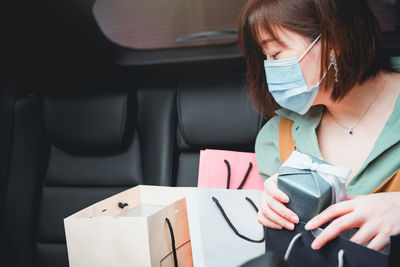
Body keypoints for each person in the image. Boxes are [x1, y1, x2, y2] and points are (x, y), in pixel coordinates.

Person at [238, 0, 400, 251]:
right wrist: (272, 209)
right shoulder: (276, 138)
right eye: (265, 57)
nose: (269, 68)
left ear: (334, 38)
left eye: (276, 54)